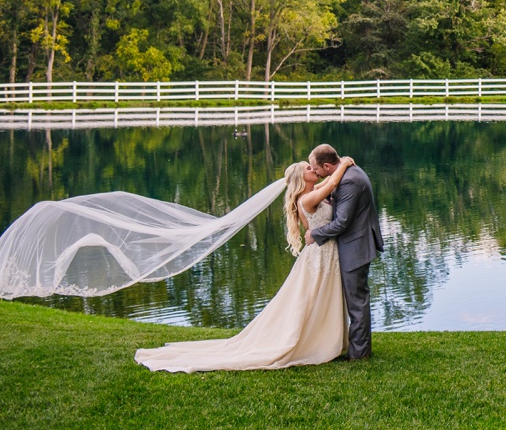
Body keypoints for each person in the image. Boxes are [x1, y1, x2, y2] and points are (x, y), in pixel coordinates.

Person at [134, 156, 355, 372]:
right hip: (319, 255)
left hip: (324, 253)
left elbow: (328, 182)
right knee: (310, 299)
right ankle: (313, 342)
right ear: (301, 177)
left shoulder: (312, 193)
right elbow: (333, 182)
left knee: (318, 298)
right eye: (309, 168)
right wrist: (344, 163)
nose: (314, 170)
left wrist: (336, 168)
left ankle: (322, 338)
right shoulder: (307, 199)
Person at [304, 143, 383, 360]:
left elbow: (342, 223)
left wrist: (315, 234)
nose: (316, 174)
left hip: (355, 247)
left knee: (357, 302)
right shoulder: (346, 173)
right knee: (355, 301)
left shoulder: (349, 181)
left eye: (317, 169)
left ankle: (359, 354)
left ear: (327, 166)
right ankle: (351, 347)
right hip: (353, 244)